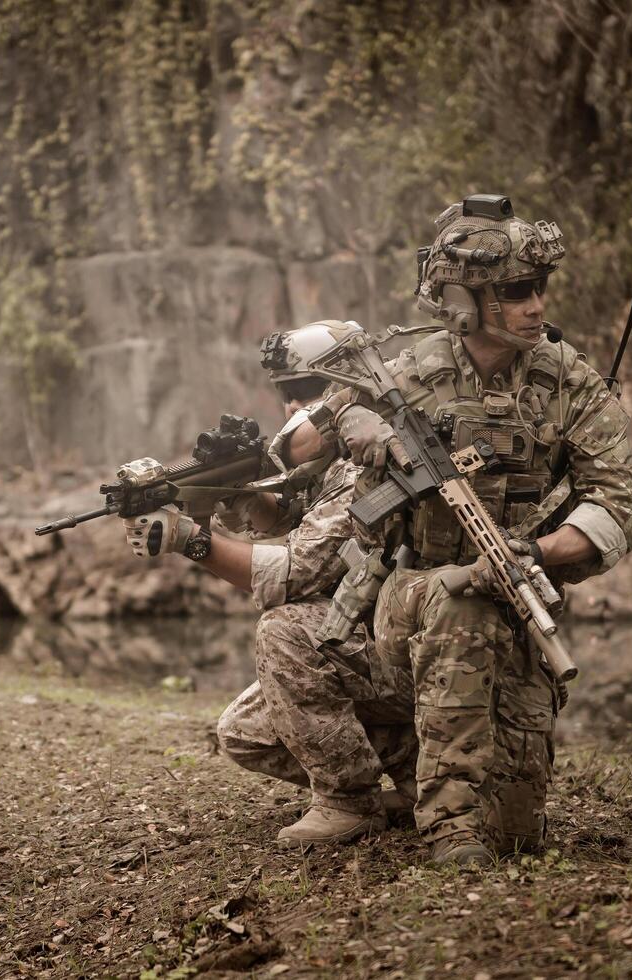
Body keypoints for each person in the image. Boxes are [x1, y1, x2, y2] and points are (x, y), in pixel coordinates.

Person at [295, 193, 632, 866]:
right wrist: (355, 425)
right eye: (514, 291)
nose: (535, 304)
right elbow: (300, 442)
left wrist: (532, 549)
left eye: (537, 287)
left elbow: (612, 507)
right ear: (461, 300)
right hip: (407, 594)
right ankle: (447, 829)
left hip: (513, 593)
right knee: (458, 599)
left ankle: (434, 793)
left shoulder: (569, 382)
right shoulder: (403, 370)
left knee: (516, 832)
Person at [120, 321, 417, 845]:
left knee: (284, 630)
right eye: (285, 393)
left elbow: (300, 572)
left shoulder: (374, 461)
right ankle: (414, 772)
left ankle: (351, 802)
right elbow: (309, 528)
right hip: (389, 645)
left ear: (350, 386)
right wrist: (247, 500)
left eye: (305, 391)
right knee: (246, 732)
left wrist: (192, 541)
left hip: (422, 655)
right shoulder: (335, 463)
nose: (291, 408)